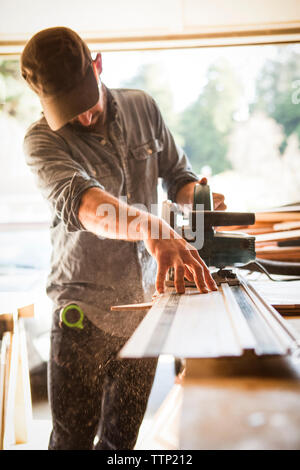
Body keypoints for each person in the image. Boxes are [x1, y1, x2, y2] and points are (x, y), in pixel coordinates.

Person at [20, 27, 225, 450]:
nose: (81, 117)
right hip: (81, 313)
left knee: (121, 444)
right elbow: (86, 204)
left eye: (84, 101)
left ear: (98, 66)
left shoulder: (142, 108)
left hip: (144, 307)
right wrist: (153, 228)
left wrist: (197, 196)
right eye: (66, 110)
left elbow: (177, 176)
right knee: (71, 440)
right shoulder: (41, 140)